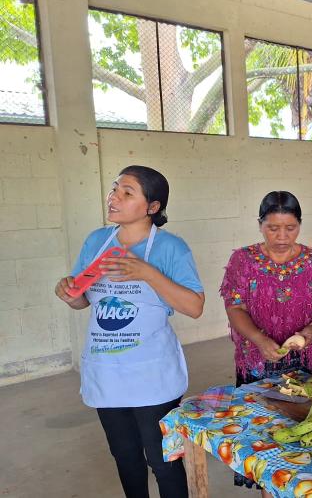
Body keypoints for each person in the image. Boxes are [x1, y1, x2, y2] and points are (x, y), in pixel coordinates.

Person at [55, 166, 205, 498]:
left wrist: (146, 272)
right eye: (114, 189)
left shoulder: (170, 248)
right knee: (124, 457)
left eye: (127, 192)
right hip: (107, 373)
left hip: (152, 375)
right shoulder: (97, 241)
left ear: (152, 207)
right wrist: (69, 294)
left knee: (164, 460)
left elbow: (194, 306)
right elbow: (83, 302)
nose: (114, 198)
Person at [220, 191, 312, 491]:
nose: (282, 236)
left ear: (300, 224)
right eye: (273, 228)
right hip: (257, 361)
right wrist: (259, 339)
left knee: (306, 430)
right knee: (265, 434)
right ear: (260, 224)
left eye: (290, 228)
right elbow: (234, 307)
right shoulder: (243, 260)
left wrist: (311, 330)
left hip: (307, 361)